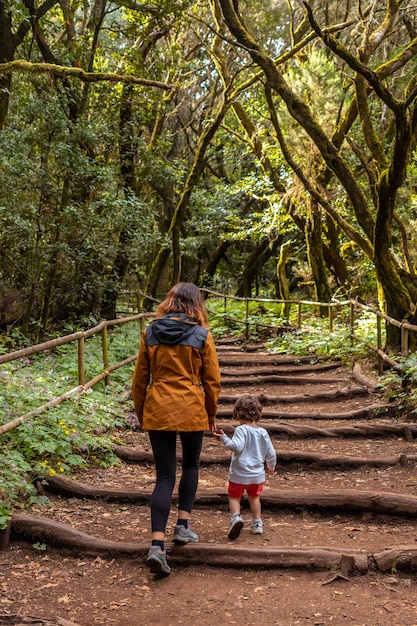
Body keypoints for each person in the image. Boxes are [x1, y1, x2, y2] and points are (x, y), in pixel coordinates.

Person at [132, 282, 221, 576]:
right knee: (192, 466)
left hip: (158, 407)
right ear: (196, 304)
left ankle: (157, 545)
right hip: (191, 408)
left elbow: (140, 378)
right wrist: (211, 412)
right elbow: (212, 381)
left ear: (169, 302)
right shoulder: (202, 335)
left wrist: (142, 409)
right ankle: (183, 526)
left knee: (164, 476)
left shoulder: (150, 332)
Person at [213, 394, 276, 540]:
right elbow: (271, 453)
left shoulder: (241, 430)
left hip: (239, 474)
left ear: (238, 413)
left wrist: (224, 438)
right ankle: (257, 524)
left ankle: (236, 517)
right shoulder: (263, 432)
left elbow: (236, 447)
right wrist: (271, 468)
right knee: (254, 498)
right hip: (257, 475)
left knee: (234, 497)